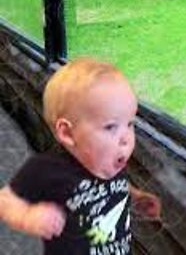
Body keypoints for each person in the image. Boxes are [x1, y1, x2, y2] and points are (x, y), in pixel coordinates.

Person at [0, 57, 161, 254]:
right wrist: (28, 217)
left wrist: (135, 198)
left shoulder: (109, 161)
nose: (126, 138)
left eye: (129, 124)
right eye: (111, 127)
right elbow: (6, 201)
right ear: (68, 133)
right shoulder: (46, 169)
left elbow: (114, 187)